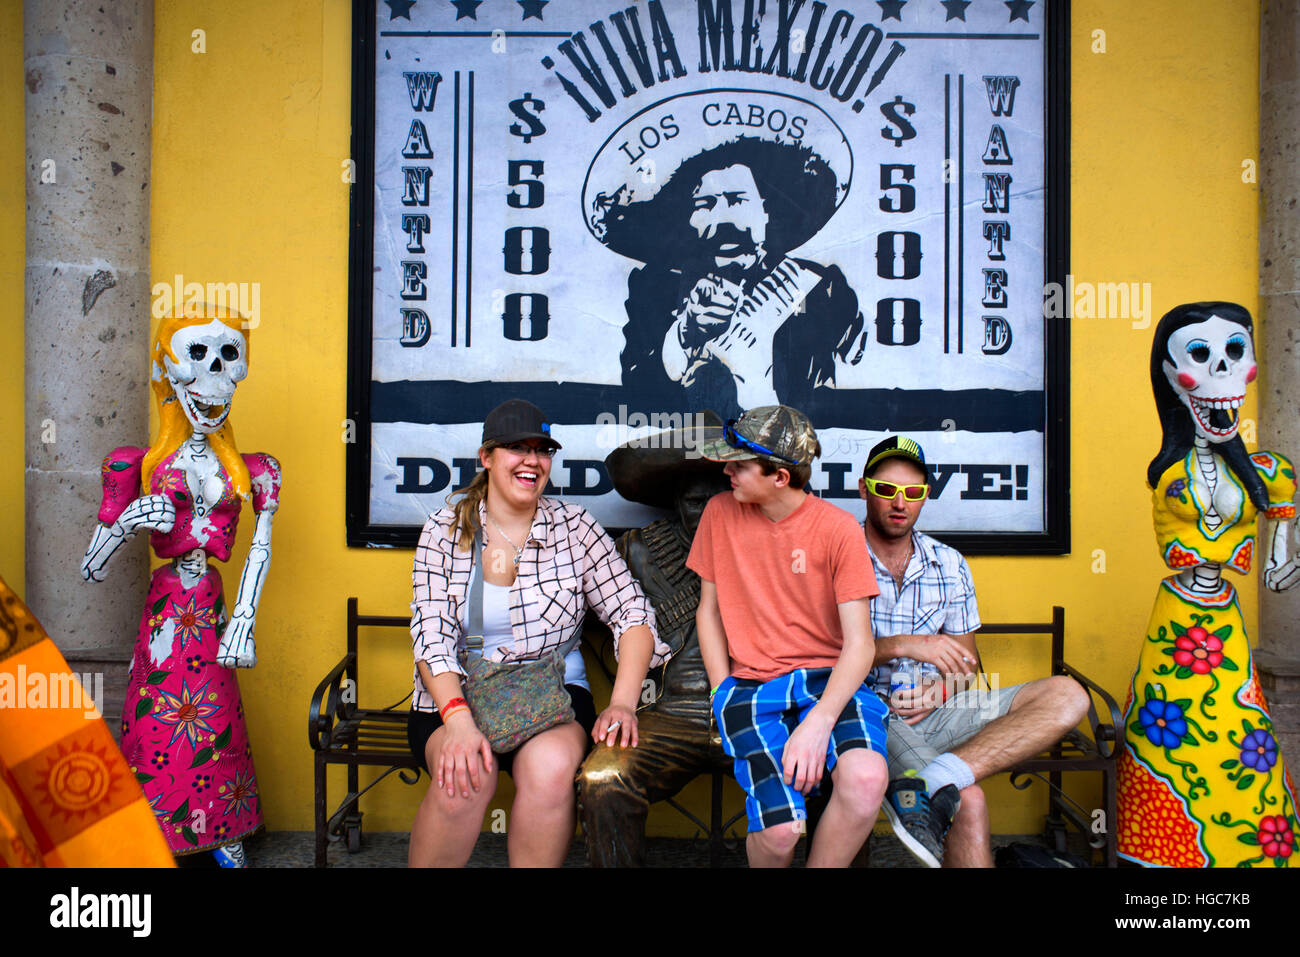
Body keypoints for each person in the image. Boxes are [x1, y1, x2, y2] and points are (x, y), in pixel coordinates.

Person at [407, 398, 669, 867]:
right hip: (461, 693)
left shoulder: (575, 527)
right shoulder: (444, 530)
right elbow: (431, 634)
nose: (532, 460)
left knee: (550, 771)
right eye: (515, 448)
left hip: (551, 694)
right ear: (486, 458)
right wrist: (459, 723)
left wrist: (624, 701)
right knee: (466, 775)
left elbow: (632, 614)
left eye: (542, 449)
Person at [82, 306, 278, 868]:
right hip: (167, 609)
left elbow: (260, 546)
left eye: (229, 358)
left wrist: (244, 620)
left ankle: (222, 828)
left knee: (215, 710)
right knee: (155, 715)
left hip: (213, 607)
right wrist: (127, 523)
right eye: (197, 356)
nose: (214, 373)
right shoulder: (133, 466)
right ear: (167, 371)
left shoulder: (255, 470)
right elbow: (91, 567)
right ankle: (155, 834)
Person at [1118, 302, 1299, 867]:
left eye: (1235, 354)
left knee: (1242, 727)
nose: (1223, 373)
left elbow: (1281, 556)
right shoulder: (1167, 472)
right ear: (1171, 376)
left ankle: (1246, 848)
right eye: (1200, 356)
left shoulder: (1268, 471)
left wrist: (1282, 554)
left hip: (1224, 620)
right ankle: (1165, 850)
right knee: (1165, 725)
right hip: (1177, 618)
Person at [859, 435, 1090, 868]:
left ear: (925, 497)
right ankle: (945, 783)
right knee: (970, 802)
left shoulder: (949, 563)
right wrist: (902, 646)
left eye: (912, 493)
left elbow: (969, 668)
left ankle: (937, 780)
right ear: (864, 489)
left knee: (1068, 694)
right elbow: (818, 660)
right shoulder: (837, 555)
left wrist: (943, 691)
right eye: (887, 489)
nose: (899, 502)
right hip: (870, 713)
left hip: (941, 710)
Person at [690, 405, 888, 867]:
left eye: (739, 464)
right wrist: (722, 691)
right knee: (781, 833)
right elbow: (709, 611)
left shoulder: (837, 529)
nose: (727, 471)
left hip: (828, 682)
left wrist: (819, 721)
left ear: (779, 476)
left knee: (865, 781)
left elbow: (861, 644)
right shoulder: (720, 513)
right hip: (752, 686)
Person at [604, 138, 866, 419]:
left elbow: (850, 376)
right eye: (705, 205)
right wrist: (685, 333)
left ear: (765, 211)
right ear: (690, 219)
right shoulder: (654, 287)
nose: (723, 220)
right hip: (691, 457)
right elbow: (636, 391)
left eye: (737, 200)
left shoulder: (820, 286)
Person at [576, 415, 732, 867]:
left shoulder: (768, 544)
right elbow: (577, 615)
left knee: (841, 768)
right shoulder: (637, 550)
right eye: (693, 500)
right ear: (675, 502)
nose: (704, 512)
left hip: (750, 708)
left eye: (716, 500)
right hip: (666, 715)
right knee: (604, 777)